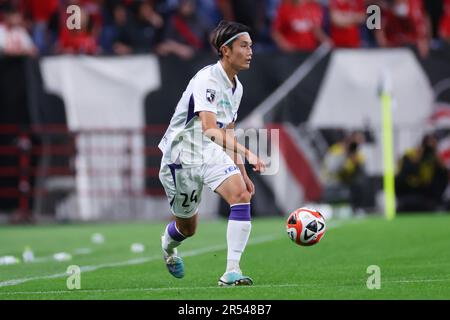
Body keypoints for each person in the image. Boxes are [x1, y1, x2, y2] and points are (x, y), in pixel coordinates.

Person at [158, 20, 266, 286]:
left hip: (209, 151)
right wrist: (249, 153)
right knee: (187, 229)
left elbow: (226, 133)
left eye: (251, 46)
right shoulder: (207, 79)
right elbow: (208, 129)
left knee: (241, 194)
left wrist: (242, 171)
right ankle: (168, 247)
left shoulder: (237, 87)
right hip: (182, 154)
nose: (250, 51)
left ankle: (232, 271)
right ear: (225, 50)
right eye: (244, 46)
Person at [320, 131, 370, 214]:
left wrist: (356, 163)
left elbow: (361, 172)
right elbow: (332, 169)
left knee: (361, 183)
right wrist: (344, 156)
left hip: (347, 183)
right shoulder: (337, 150)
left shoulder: (356, 154)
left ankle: (357, 208)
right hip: (332, 181)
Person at [396, 133, 448, 212]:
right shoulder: (409, 157)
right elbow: (400, 179)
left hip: (427, 196)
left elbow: (440, 181)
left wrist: (440, 163)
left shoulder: (434, 160)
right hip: (408, 193)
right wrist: (413, 161)